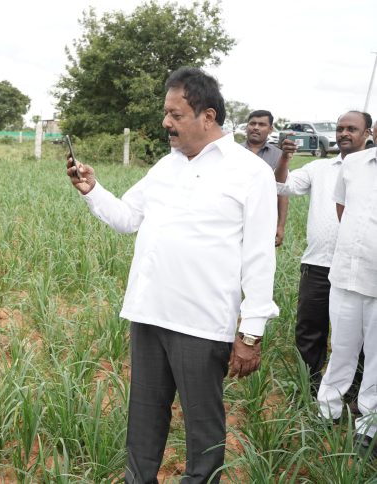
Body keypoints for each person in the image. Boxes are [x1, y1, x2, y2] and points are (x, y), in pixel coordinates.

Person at [67, 67, 278, 482]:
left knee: (204, 430)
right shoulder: (167, 166)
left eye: (176, 114)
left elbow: (258, 256)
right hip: (148, 313)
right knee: (143, 420)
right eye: (166, 113)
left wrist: (251, 332)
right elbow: (128, 218)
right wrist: (93, 189)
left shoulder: (250, 173)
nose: (166, 122)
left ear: (208, 116)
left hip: (201, 322)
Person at [275, 111, 371, 399]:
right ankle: (309, 389)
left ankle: (353, 394)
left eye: (351, 129)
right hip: (317, 264)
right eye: (340, 128)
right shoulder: (320, 168)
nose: (344, 133)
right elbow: (283, 185)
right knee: (310, 329)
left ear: (367, 133)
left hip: (359, 269)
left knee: (360, 337)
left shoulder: (371, 170)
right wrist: (285, 158)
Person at [317, 142, 377, 456]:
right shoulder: (353, 164)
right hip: (346, 276)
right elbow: (343, 209)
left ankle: (368, 426)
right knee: (341, 349)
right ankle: (328, 411)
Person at [242, 109, 293, 246]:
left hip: (264, 220)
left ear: (270, 129)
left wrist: (280, 226)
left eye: (262, 124)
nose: (256, 128)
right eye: (252, 123)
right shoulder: (232, 152)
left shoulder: (279, 156)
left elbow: (282, 193)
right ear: (247, 126)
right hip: (236, 218)